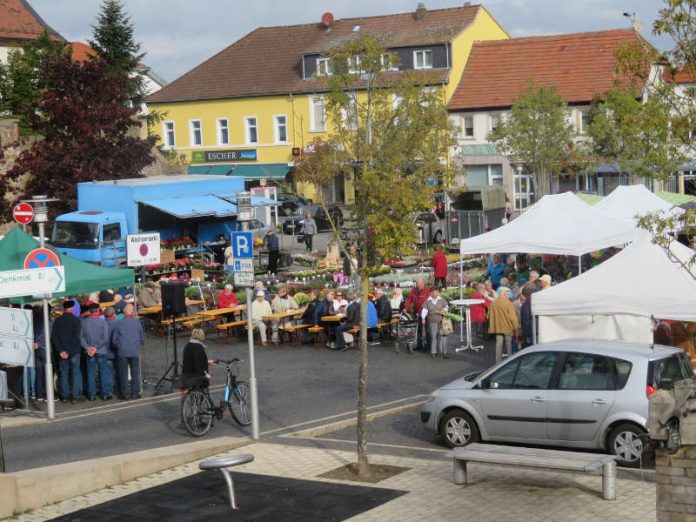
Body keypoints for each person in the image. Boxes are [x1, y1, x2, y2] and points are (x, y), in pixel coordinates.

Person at [51, 300, 83, 403]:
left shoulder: (57, 320)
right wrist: (68, 351)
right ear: (72, 309)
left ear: (63, 309)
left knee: (63, 374)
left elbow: (54, 337)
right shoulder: (76, 320)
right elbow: (76, 337)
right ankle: (74, 396)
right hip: (74, 351)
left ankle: (64, 396)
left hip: (62, 352)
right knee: (75, 373)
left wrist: (61, 351)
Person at [112, 303, 144, 400]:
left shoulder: (119, 323)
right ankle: (135, 392)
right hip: (134, 351)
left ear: (124, 312)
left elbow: (114, 340)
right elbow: (142, 338)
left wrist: (119, 347)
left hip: (122, 351)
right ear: (133, 312)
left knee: (123, 373)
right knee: (135, 372)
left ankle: (125, 393)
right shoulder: (137, 323)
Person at [80, 302, 111, 401]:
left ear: (89, 311)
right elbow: (105, 338)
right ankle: (105, 394)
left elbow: (81, 337)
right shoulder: (102, 322)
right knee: (103, 372)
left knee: (91, 373)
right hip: (101, 350)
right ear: (98, 310)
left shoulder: (84, 322)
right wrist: (96, 347)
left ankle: (92, 395)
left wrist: (88, 348)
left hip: (89, 351)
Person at [488, 287, 519, 363]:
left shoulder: (493, 302)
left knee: (499, 344)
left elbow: (488, 315)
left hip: (497, 327)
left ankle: (498, 362)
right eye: (507, 292)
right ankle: (509, 361)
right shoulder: (509, 303)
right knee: (509, 344)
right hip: (507, 327)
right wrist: (516, 329)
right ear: (504, 293)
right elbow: (513, 318)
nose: (508, 293)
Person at [422, 287, 449, 358]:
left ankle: (443, 352)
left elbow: (446, 307)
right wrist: (423, 318)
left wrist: (444, 310)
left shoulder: (441, 299)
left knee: (443, 336)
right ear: (431, 293)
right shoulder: (428, 300)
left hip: (442, 320)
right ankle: (434, 352)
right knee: (434, 336)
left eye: (437, 292)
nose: (436, 293)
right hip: (432, 320)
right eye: (435, 292)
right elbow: (424, 310)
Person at [405, 278, 431, 351]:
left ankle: (428, 347)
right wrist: (406, 308)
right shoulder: (414, 290)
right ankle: (419, 345)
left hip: (427, 314)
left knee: (428, 331)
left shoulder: (428, 290)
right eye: (417, 284)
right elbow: (409, 299)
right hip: (417, 313)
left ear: (423, 283)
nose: (419, 285)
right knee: (419, 330)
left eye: (420, 284)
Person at [104, 306, 119, 391]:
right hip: (116, 352)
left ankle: (109, 390)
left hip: (106, 353)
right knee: (117, 371)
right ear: (113, 314)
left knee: (107, 373)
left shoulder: (102, 323)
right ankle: (117, 388)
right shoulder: (118, 323)